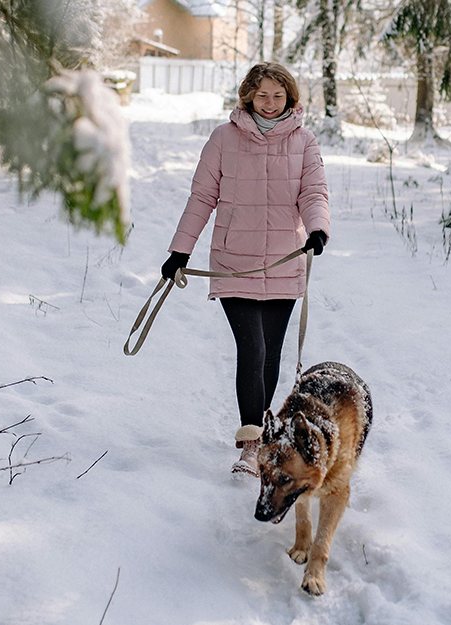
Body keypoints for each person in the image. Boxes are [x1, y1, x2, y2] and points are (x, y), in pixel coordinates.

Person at [161, 62, 330, 476]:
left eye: (277, 96)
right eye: (261, 95)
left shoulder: (305, 141)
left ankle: (265, 432)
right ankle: (251, 444)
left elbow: (314, 192)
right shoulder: (223, 139)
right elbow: (202, 197)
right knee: (251, 349)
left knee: (271, 353)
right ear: (248, 97)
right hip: (235, 262)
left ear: (290, 97)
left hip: (284, 261)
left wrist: (318, 229)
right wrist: (181, 251)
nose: (269, 104)